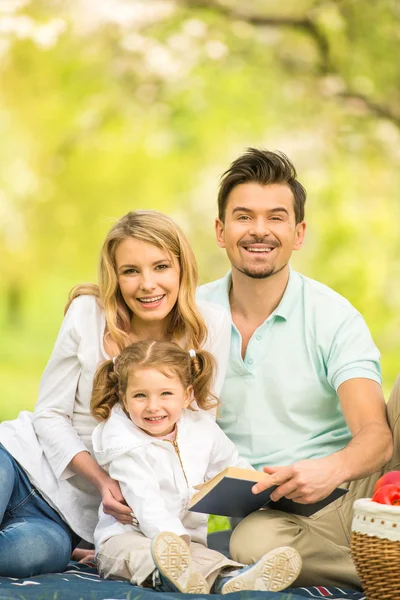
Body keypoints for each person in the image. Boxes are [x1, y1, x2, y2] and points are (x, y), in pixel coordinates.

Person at [197, 147, 396, 589]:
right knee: (249, 544)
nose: (259, 231)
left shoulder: (333, 316)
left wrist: (330, 469)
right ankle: (382, 565)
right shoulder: (190, 313)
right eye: (244, 216)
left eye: (276, 217)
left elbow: (376, 435)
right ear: (220, 230)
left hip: (354, 493)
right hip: (267, 514)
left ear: (298, 232)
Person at [0, 210, 231, 578]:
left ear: (182, 268)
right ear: (115, 276)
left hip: (71, 517)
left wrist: (181, 531)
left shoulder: (209, 325)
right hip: (17, 460)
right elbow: (49, 414)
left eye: (160, 267)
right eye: (131, 271)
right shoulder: (87, 314)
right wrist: (103, 481)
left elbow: (197, 429)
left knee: (30, 556)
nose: (147, 284)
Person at [90, 339, 302, 594]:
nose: (153, 406)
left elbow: (231, 466)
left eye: (166, 393)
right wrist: (175, 543)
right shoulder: (125, 444)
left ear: (187, 394)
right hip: (125, 538)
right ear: (124, 399)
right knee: (141, 556)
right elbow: (145, 502)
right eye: (140, 396)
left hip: (188, 541)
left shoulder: (201, 429)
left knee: (209, 560)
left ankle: (231, 579)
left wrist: (261, 487)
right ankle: (168, 574)